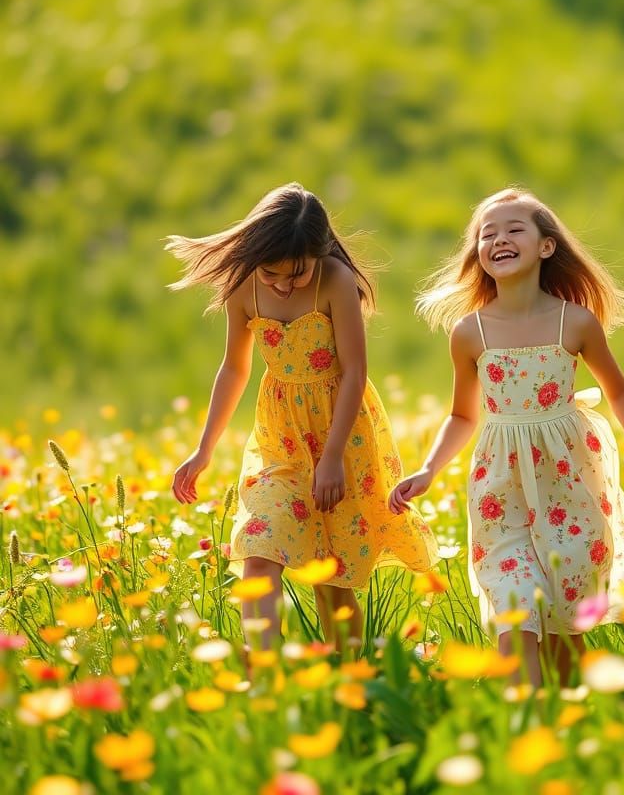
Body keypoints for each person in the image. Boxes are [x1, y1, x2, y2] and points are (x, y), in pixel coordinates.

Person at [388, 187, 624, 686]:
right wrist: (428, 469)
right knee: (515, 607)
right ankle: (523, 717)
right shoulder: (470, 332)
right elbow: (462, 416)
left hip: (570, 481)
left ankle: (565, 716)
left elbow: (620, 391)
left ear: (546, 246)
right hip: (500, 485)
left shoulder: (575, 322)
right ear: (478, 254)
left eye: (514, 229)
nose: (499, 239)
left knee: (567, 621)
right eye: (487, 233)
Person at [167, 183, 437, 649]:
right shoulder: (244, 285)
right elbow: (234, 367)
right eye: (274, 273)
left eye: (297, 273)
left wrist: (332, 456)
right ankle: (265, 671)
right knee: (258, 545)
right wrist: (203, 448)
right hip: (282, 442)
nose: (285, 284)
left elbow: (355, 372)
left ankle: (348, 672)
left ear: (321, 250)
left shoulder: (334, 279)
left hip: (344, 436)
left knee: (332, 575)